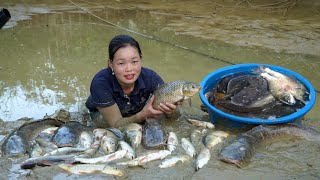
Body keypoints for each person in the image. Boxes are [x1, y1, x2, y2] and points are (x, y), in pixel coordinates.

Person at [85, 34, 178, 128]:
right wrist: (141, 116)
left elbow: (175, 116)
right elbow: (116, 125)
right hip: (102, 113)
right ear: (111, 64)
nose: (129, 69)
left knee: (158, 120)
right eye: (121, 63)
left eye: (134, 62)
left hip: (137, 110)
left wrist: (170, 112)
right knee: (103, 124)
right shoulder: (100, 84)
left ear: (140, 59)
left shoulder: (151, 78)